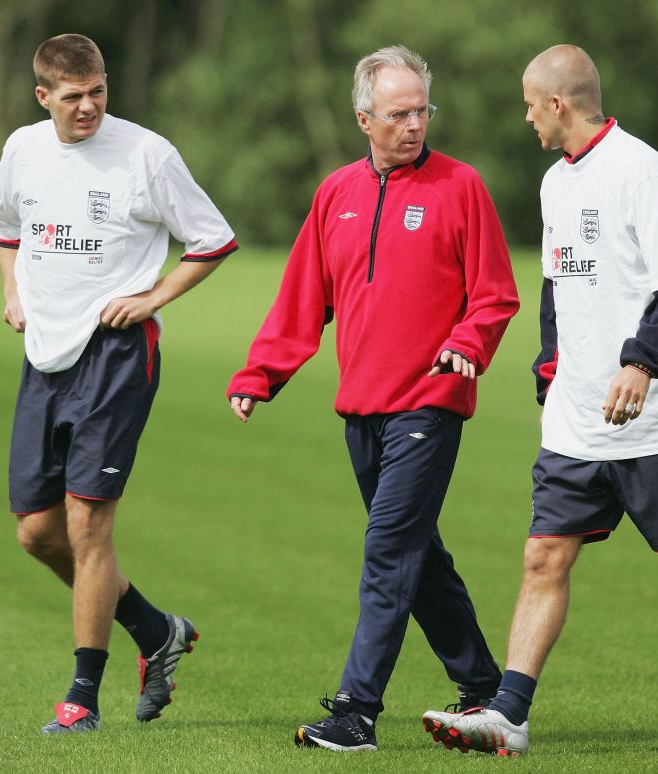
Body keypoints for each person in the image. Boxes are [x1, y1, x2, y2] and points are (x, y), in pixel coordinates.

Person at [422, 44, 658, 757]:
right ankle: (509, 713)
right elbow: (555, 285)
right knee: (544, 556)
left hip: (657, 423)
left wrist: (640, 361)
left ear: (558, 104)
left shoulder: (642, 171)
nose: (526, 116)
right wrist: (547, 369)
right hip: (575, 423)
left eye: (530, 104)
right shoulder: (553, 184)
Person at [227, 44, 519, 753]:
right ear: (365, 118)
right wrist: (260, 374)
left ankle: (356, 712)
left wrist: (468, 347)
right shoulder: (335, 195)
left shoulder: (462, 187)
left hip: (430, 403)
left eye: (423, 110)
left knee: (388, 551)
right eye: (400, 113)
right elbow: (304, 296)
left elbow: (496, 295)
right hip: (361, 409)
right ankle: (484, 687)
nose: (415, 124)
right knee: (419, 559)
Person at [0, 33, 237, 734]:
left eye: (98, 91)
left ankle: (81, 700)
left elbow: (213, 238)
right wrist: (13, 293)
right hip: (45, 354)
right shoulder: (22, 150)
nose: (90, 106)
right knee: (37, 533)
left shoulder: (147, 154)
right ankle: (156, 629)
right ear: (45, 98)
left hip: (117, 356)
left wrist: (153, 299)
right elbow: (6, 226)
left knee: (87, 524)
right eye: (74, 97)